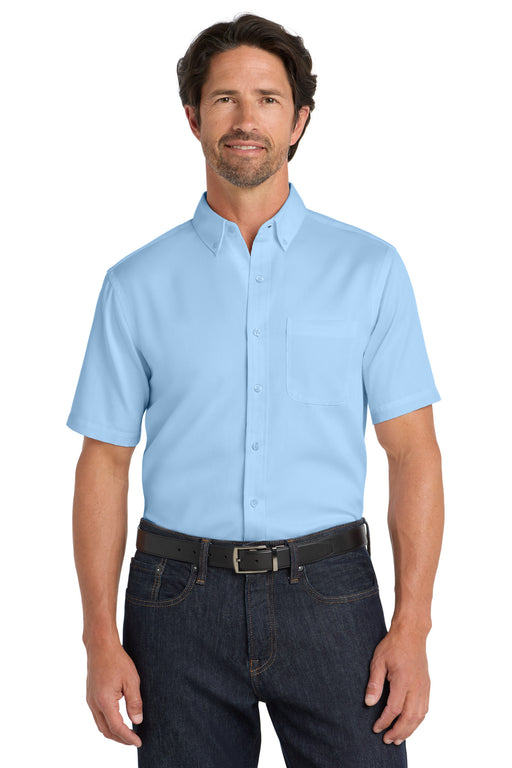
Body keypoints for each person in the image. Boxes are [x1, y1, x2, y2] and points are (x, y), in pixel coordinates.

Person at [68, 13, 444, 768]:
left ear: (299, 120)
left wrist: (413, 627)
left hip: (332, 594)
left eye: (268, 99)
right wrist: (99, 638)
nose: (247, 119)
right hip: (175, 601)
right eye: (225, 99)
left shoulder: (370, 269)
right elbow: (104, 461)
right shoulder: (135, 283)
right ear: (193, 118)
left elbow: (413, 453)